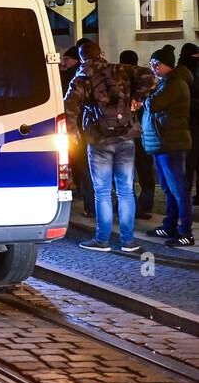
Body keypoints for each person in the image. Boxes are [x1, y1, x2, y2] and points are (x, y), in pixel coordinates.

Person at [65, 40, 156, 252]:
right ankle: (128, 241)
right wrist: (138, 98)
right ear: (101, 53)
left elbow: (69, 106)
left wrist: (73, 132)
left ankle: (102, 239)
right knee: (126, 190)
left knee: (102, 191)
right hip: (125, 137)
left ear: (81, 58)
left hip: (99, 140)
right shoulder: (120, 69)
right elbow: (149, 77)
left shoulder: (80, 78)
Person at [143, 45, 195, 246]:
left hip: (172, 144)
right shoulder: (168, 82)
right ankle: (169, 226)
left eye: (156, 64)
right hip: (163, 144)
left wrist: (150, 90)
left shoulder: (175, 84)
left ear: (166, 65)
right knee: (168, 189)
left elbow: (154, 104)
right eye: (151, 63)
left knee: (179, 190)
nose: (153, 67)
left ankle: (185, 233)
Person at [60, 43, 95, 217]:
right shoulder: (102, 74)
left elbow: (68, 105)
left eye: (66, 59)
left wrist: (72, 130)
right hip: (91, 128)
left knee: (83, 166)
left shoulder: (75, 77)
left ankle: (91, 204)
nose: (63, 62)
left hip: (78, 129)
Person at [120, 50, 155, 215]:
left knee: (126, 171)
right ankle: (146, 203)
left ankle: (130, 204)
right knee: (145, 168)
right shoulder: (145, 80)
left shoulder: (117, 80)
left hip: (125, 130)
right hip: (143, 129)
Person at [179, 42, 199, 203]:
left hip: (191, 124)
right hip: (188, 125)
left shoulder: (183, 72)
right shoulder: (181, 75)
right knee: (188, 164)